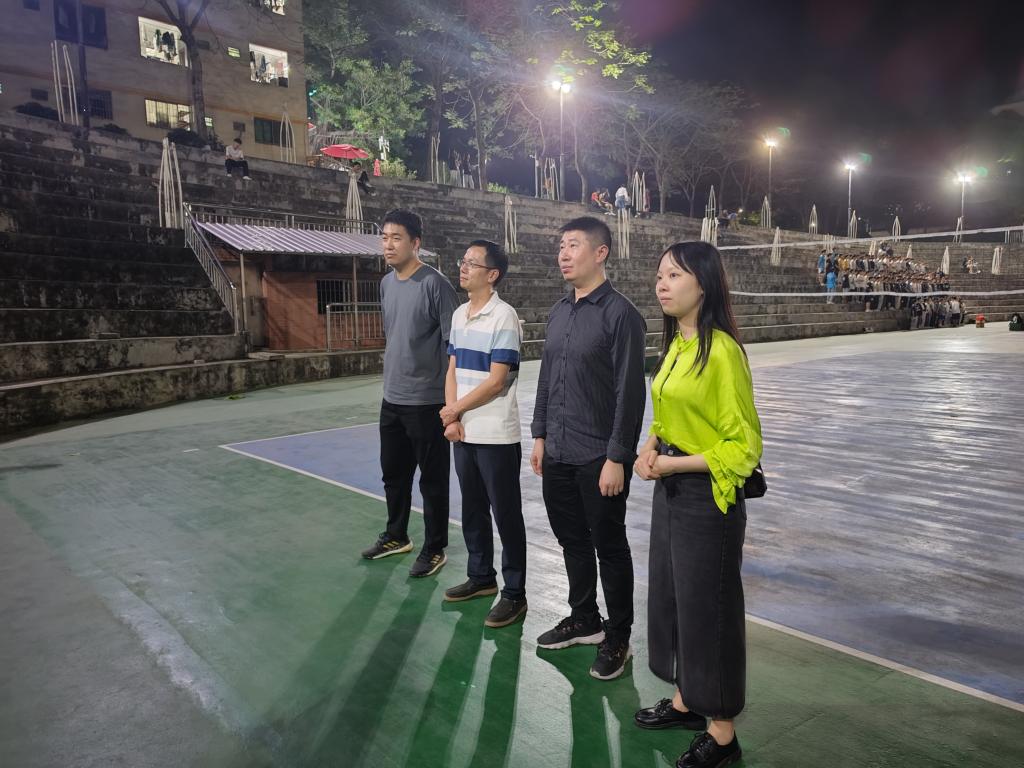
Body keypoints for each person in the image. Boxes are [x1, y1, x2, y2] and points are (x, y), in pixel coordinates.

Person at [632, 240, 762, 768]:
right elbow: (666, 416)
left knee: (710, 611)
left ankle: (723, 733)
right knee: (675, 600)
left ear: (703, 285)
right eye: (660, 275)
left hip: (709, 500)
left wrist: (674, 465)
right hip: (672, 491)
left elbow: (743, 447)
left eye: (674, 275)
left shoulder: (722, 352)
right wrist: (649, 447)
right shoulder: (678, 346)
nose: (661, 285)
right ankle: (688, 700)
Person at [530, 216, 647, 680]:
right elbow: (545, 378)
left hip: (599, 456)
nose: (563, 253)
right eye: (561, 245)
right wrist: (540, 435)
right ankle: (585, 619)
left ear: (600, 253)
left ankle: (619, 636)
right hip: (558, 451)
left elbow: (629, 394)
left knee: (609, 547)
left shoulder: (621, 315)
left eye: (573, 245)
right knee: (572, 541)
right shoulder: (559, 311)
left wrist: (617, 457)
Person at [361, 210, 460, 578]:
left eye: (397, 238)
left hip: (428, 401)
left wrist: (452, 405)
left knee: (432, 481)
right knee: (394, 474)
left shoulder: (436, 285)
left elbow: (454, 346)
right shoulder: (386, 284)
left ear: (415, 243)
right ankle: (396, 535)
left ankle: (435, 548)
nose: (388, 245)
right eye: (385, 237)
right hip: (393, 398)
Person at [439, 240, 528, 628]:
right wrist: (452, 419)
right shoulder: (460, 314)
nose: (463, 268)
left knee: (505, 514)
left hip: (496, 435)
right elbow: (452, 370)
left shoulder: (503, 317)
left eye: (471, 263)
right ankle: (480, 577)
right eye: (463, 261)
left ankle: (514, 593)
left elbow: (496, 382)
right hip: (463, 432)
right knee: (472, 508)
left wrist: (455, 409)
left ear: (492, 275)